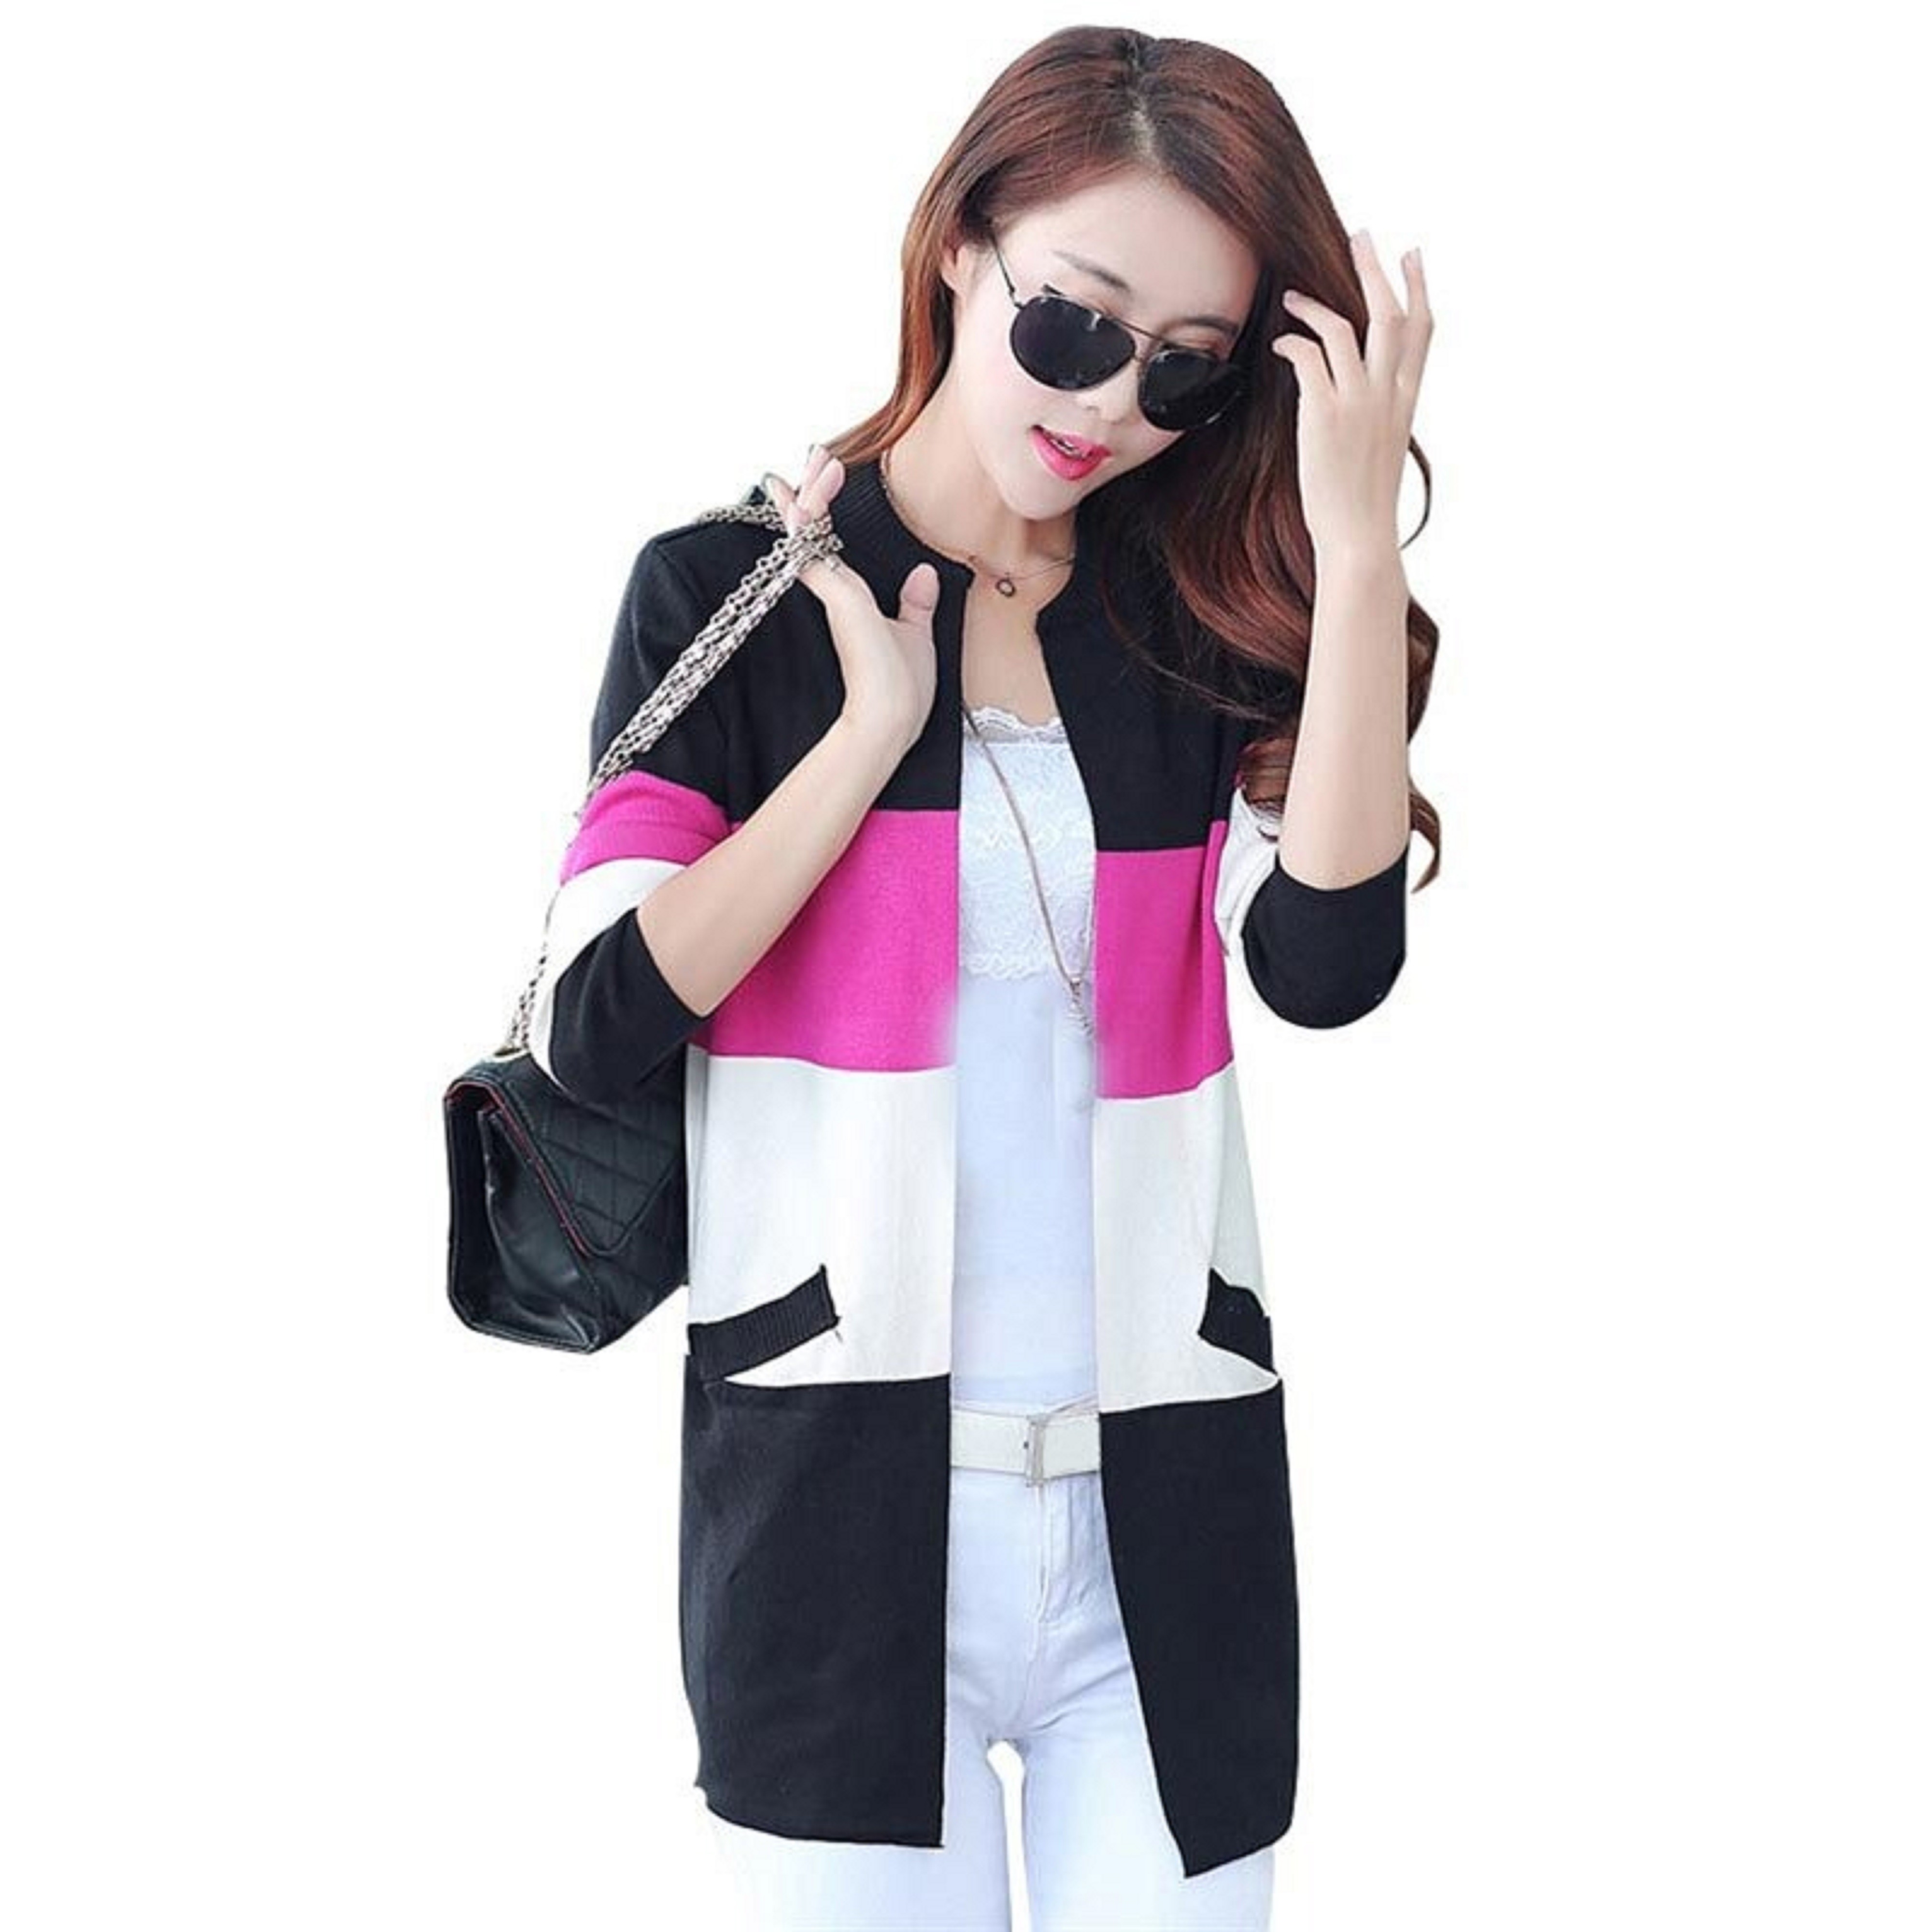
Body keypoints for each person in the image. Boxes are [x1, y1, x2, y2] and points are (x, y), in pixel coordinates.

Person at [527, 26, 1437, 1930]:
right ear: (959, 245)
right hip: (835, 1515)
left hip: (1168, 1513)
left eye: (1181, 368)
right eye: (1073, 324)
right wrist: (865, 737)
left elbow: (1329, 965)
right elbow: (596, 1019)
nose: (1110, 404)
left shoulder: (1192, 623)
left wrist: (1354, 558)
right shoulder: (735, 592)